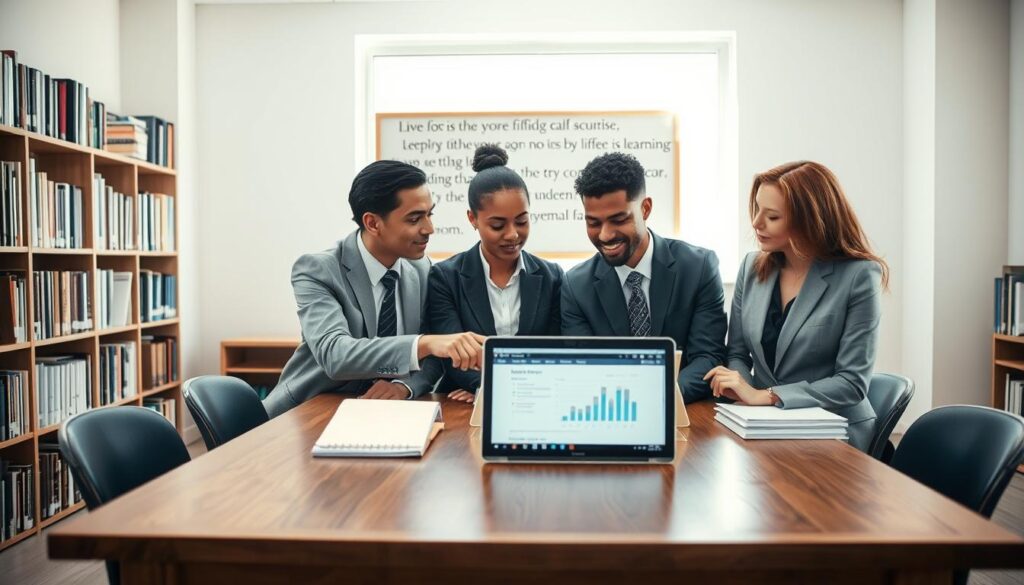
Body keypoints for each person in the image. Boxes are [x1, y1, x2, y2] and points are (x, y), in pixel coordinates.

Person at [263, 160, 486, 418]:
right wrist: (424, 343)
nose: (429, 229)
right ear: (372, 223)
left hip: (383, 417)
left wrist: (405, 386)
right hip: (306, 414)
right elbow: (336, 354)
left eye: (429, 214)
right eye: (415, 218)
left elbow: (435, 358)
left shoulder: (421, 269)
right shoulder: (317, 270)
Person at [704, 160, 888, 452]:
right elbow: (738, 352)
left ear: (810, 221)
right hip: (760, 425)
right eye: (757, 210)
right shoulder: (752, 267)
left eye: (772, 216)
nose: (756, 223)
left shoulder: (859, 276)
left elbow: (851, 382)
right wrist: (741, 389)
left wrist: (764, 396)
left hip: (834, 431)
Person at [561, 152, 727, 403]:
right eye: (593, 223)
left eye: (618, 219)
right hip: (610, 410)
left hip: (683, 412)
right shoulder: (576, 286)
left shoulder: (698, 267)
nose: (605, 235)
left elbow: (708, 357)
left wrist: (658, 399)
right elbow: (584, 368)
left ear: (645, 208)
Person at [428, 144, 564, 402]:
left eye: (522, 221)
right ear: (472, 219)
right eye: (498, 225)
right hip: (464, 403)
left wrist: (498, 391)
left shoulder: (552, 277)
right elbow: (452, 355)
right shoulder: (445, 278)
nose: (513, 234)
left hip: (537, 399)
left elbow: (555, 350)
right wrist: (485, 389)